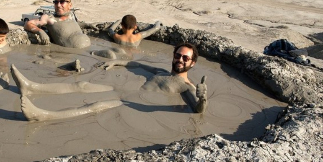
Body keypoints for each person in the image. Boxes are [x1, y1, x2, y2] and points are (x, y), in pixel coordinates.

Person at [14, 43, 209, 121]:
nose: (180, 60)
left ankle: (43, 115)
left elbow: (197, 109)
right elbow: (134, 63)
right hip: (123, 89)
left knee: (95, 106)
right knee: (80, 85)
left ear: (193, 62)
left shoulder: (187, 86)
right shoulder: (161, 71)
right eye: (178, 55)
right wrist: (116, 61)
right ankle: (31, 87)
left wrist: (202, 99)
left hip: (132, 103)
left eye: (185, 58)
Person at [24, 0, 92, 48]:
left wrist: (87, 25)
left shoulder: (70, 16)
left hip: (87, 49)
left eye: (62, 2)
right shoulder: (49, 18)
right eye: (56, 2)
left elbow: (72, 24)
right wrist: (40, 32)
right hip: (71, 54)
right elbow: (28, 24)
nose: (58, 5)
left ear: (70, 5)